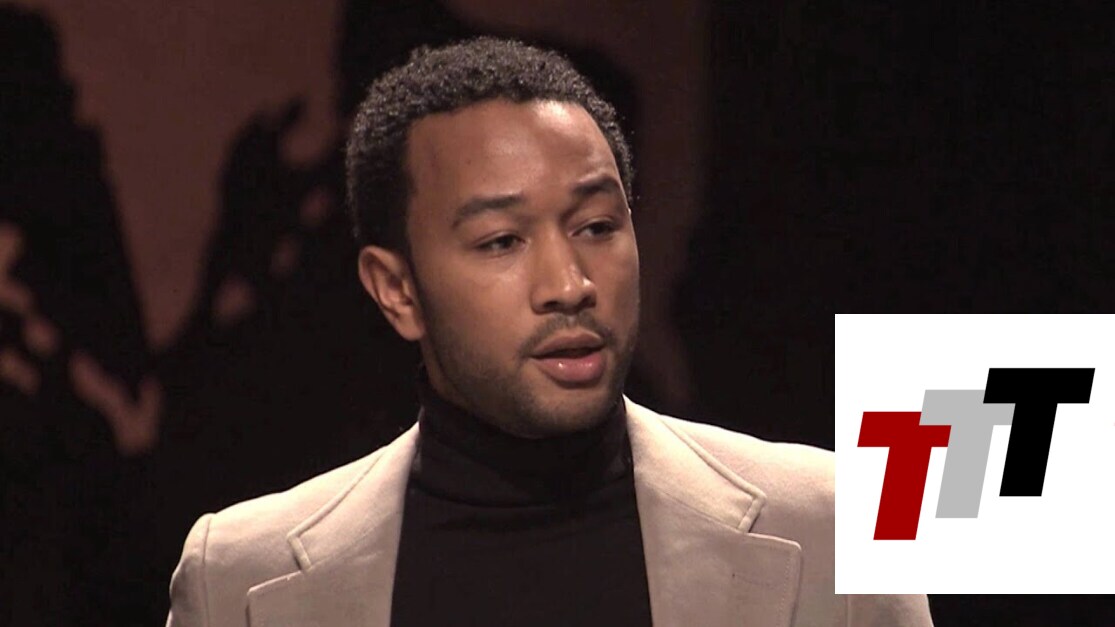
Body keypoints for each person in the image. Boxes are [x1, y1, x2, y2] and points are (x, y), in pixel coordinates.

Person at [166, 37, 933, 626]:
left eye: (596, 225)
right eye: (501, 241)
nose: (569, 284)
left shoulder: (834, 525)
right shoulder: (239, 578)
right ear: (397, 290)